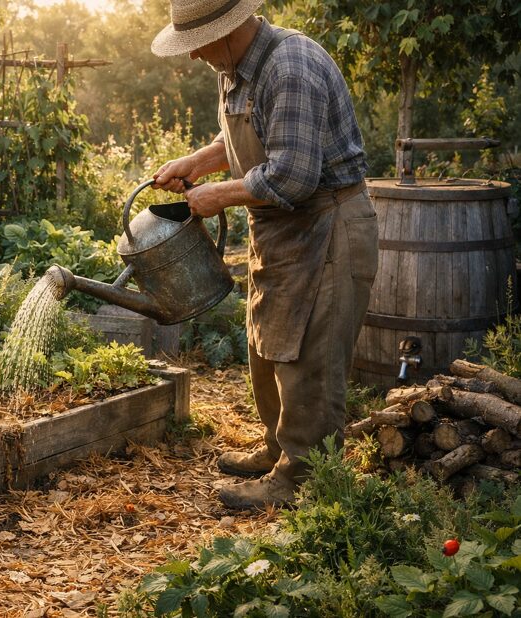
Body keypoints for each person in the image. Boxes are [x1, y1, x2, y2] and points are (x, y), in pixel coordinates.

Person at [150, 0, 379, 508]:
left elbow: (294, 175)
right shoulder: (234, 69)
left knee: (310, 357)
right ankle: (279, 448)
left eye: (196, 45)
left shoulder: (290, 65)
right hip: (283, 230)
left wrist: (219, 195)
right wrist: (197, 162)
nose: (191, 58)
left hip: (327, 225)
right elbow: (242, 138)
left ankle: (302, 480)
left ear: (228, 30)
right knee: (270, 345)